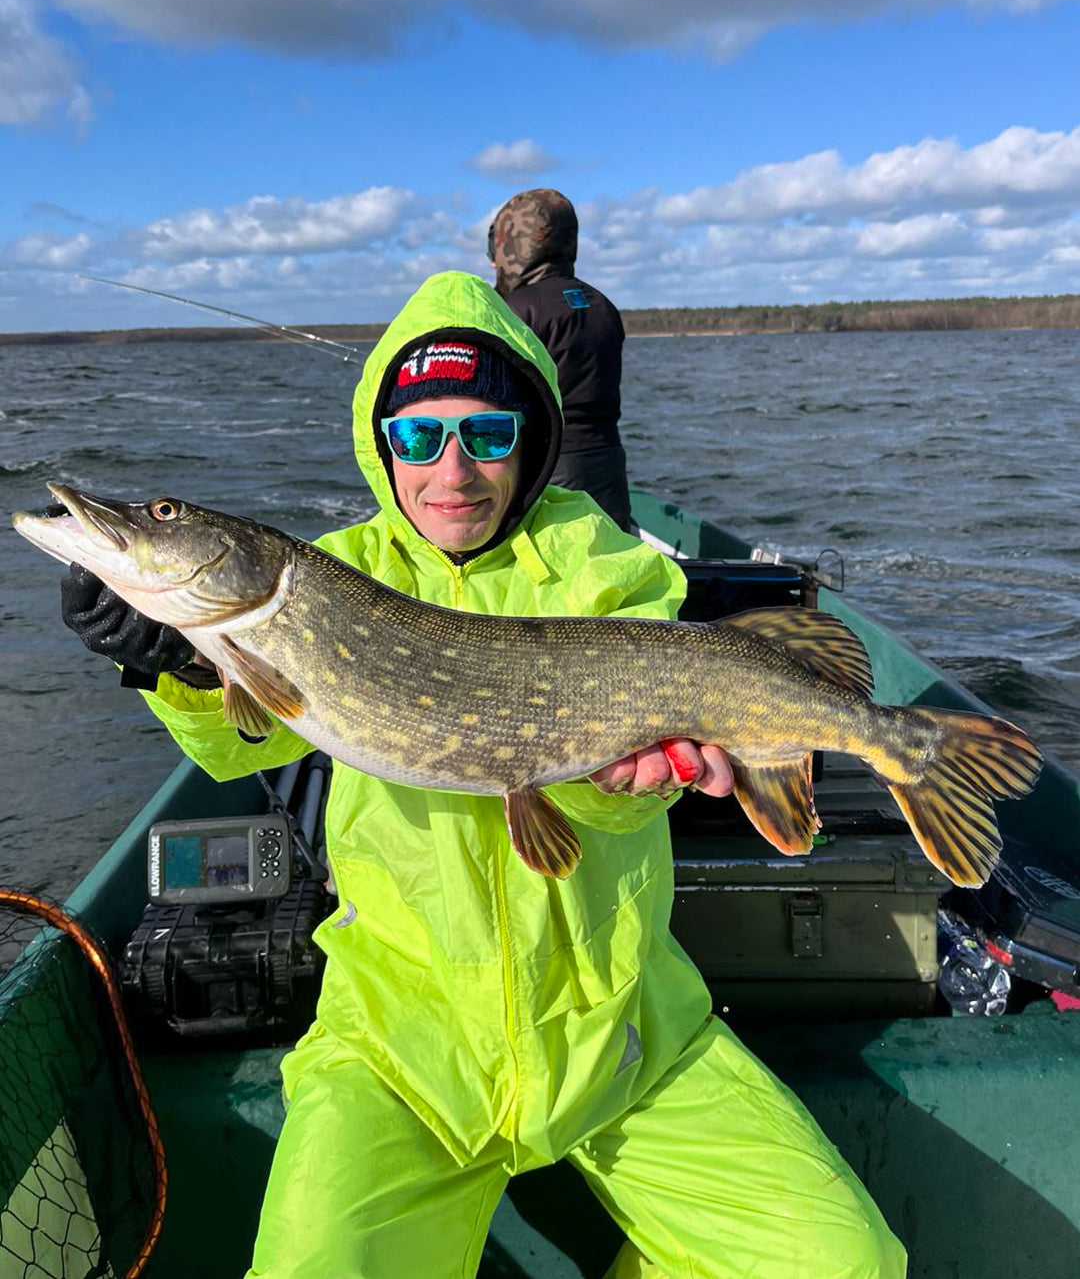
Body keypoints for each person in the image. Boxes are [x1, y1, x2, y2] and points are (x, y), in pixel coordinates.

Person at [61, 271, 905, 1278]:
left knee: (843, 1263)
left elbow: (635, 772)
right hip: (402, 1045)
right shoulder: (333, 574)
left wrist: (621, 780)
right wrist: (182, 669)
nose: (451, 470)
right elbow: (251, 741)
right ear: (383, 449)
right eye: (419, 438)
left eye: (486, 435)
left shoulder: (612, 571)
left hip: (621, 1029)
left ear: (532, 441)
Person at [489, 188, 634, 532]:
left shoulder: (516, 310)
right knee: (608, 559)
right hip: (608, 462)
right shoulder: (602, 304)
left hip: (550, 468)